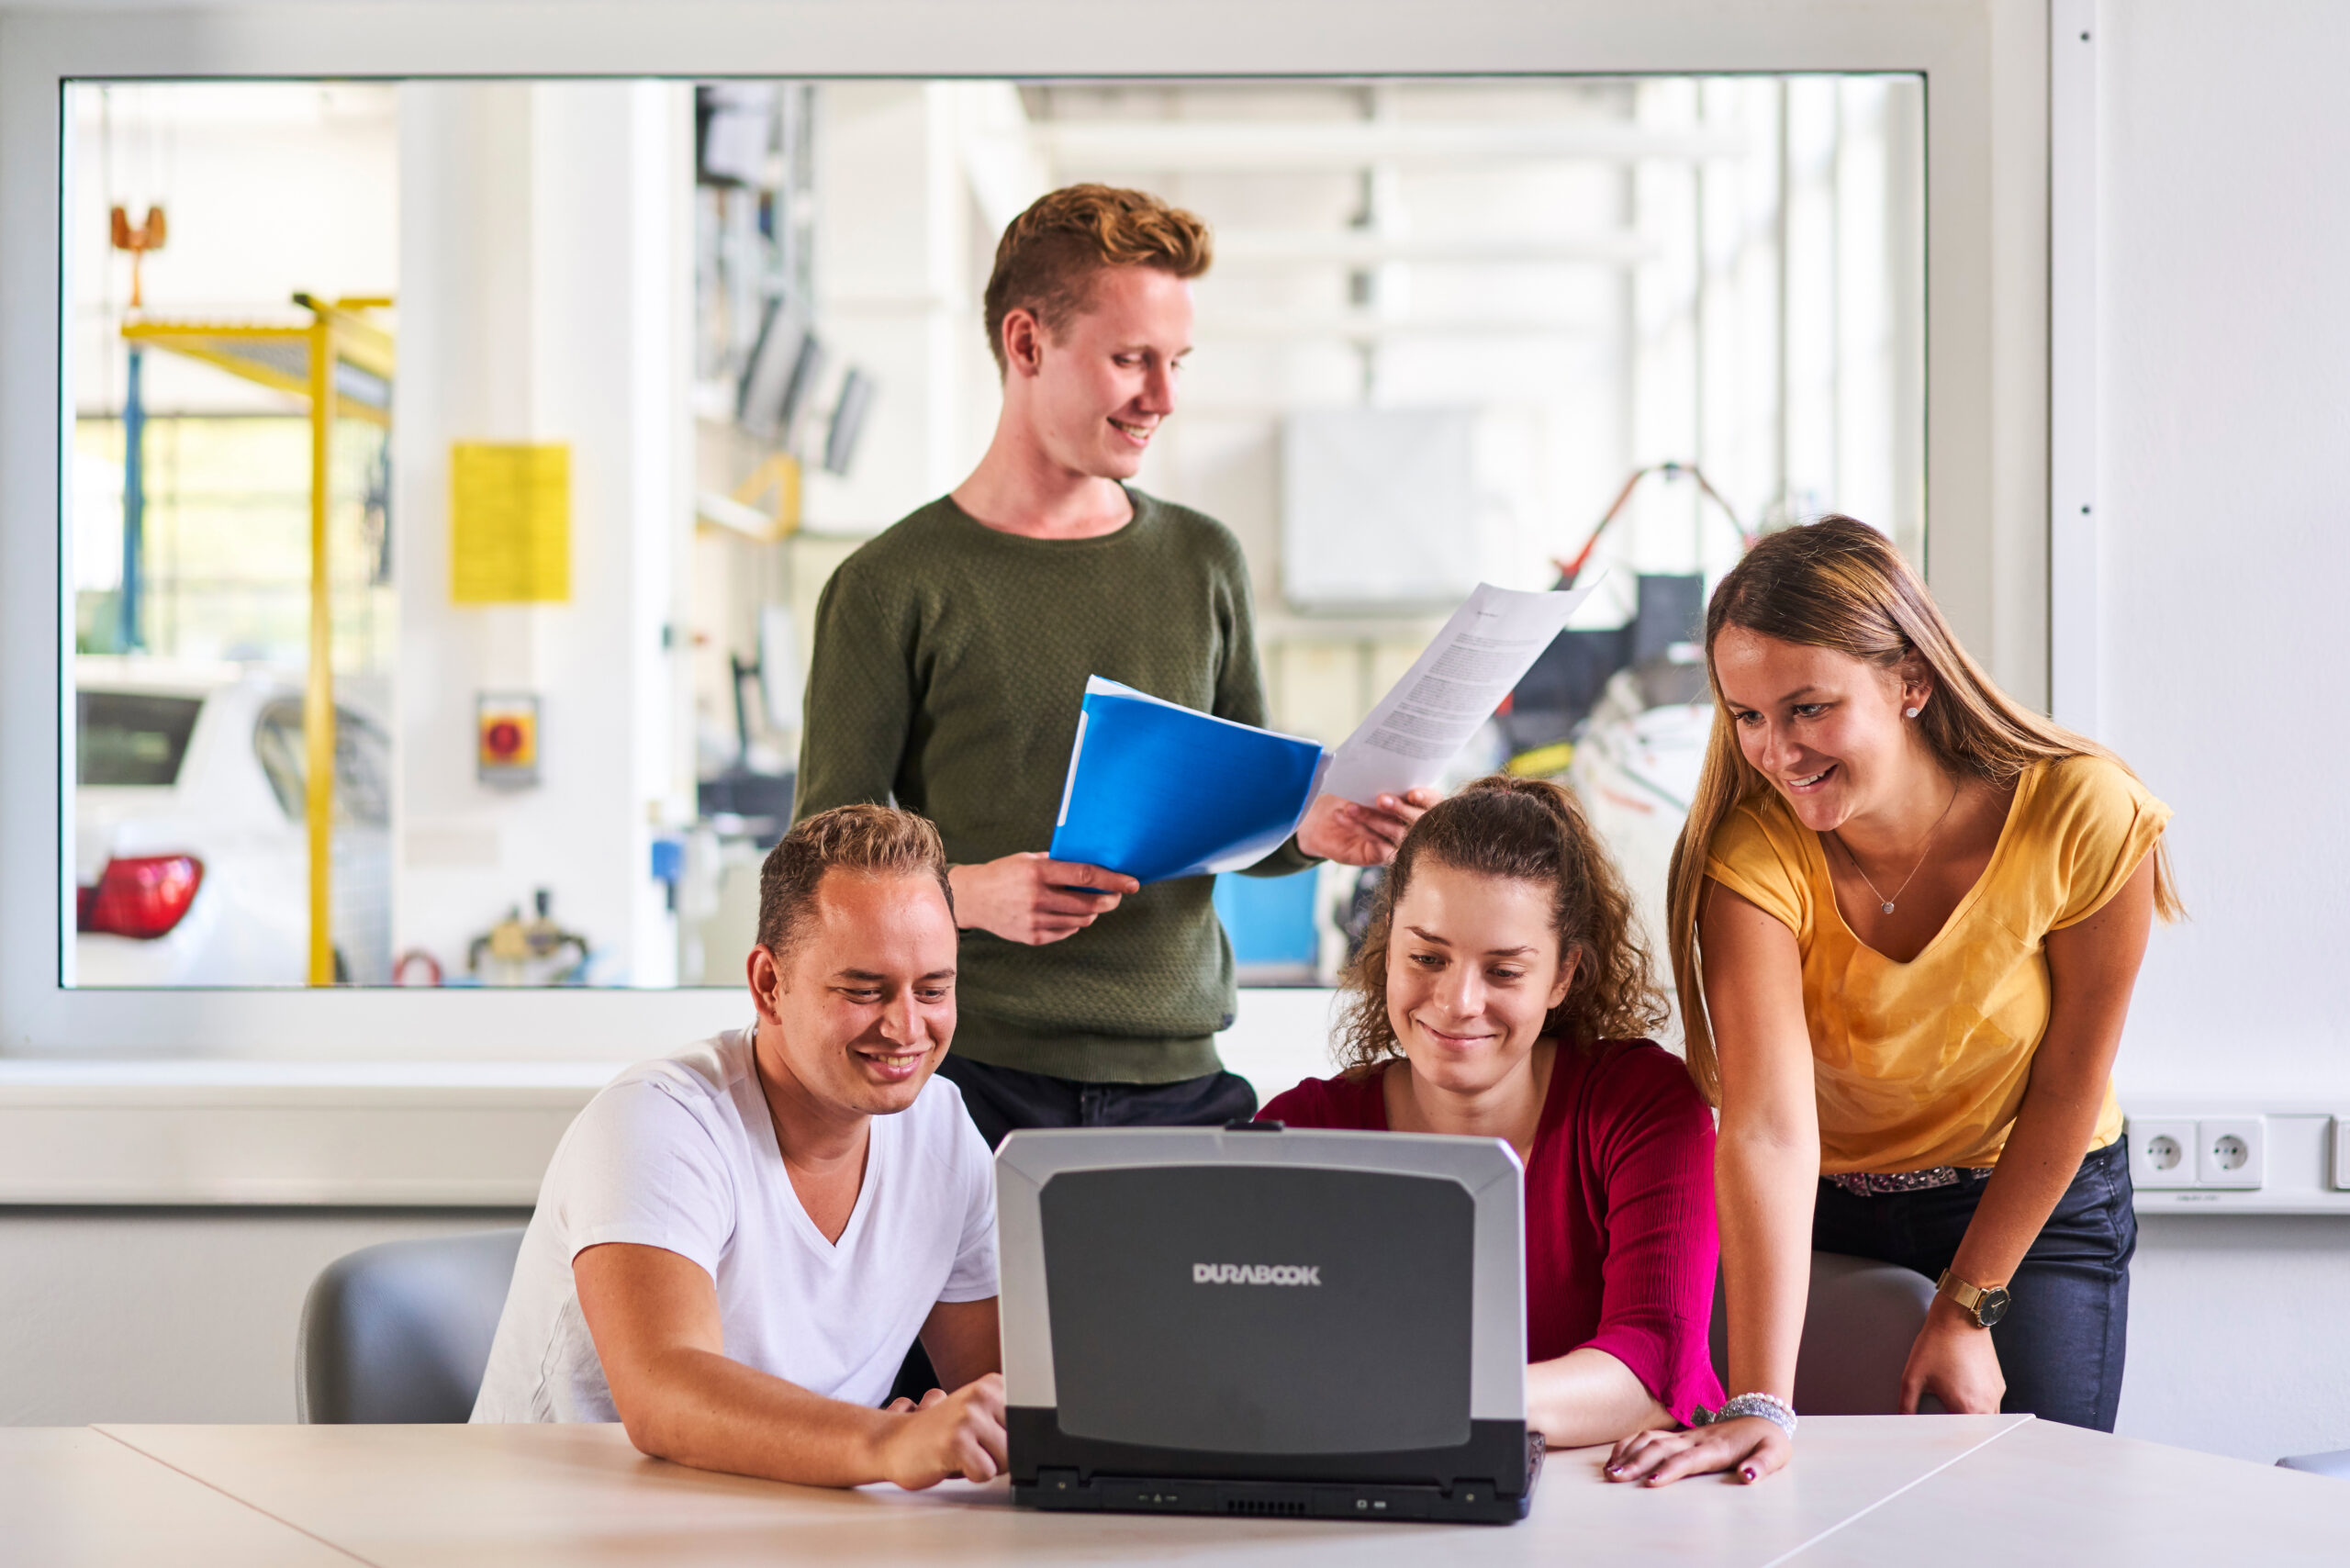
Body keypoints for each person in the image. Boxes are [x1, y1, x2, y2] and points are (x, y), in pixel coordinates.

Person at [793, 182, 1434, 1150]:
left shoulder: (1202, 560)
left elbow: (1235, 813)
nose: (1164, 399)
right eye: (1132, 360)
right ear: (1025, 344)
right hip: (967, 1087)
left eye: (1175, 362)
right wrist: (964, 894)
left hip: (1180, 1076)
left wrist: (1318, 822)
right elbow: (817, 870)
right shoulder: (892, 584)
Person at [1606, 516, 2177, 1489]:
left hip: (2023, 1195)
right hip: (1825, 1203)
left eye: (1808, 708)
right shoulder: (1755, 855)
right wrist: (1758, 1403)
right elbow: (1768, 1130)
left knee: (2033, 1512)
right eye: (1745, 716)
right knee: (1795, 1502)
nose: (1776, 751)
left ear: (1909, 681)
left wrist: (1967, 1302)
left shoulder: (2083, 810)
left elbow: (2070, 1079)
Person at [472, 804, 1008, 1492]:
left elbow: (1007, 1386)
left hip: (777, 1518)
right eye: (863, 990)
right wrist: (891, 1440)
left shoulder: (942, 1130)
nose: (907, 1026)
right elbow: (665, 1394)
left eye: (934, 989)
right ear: (768, 985)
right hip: (563, 1527)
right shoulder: (659, 1122)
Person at [1259, 776, 1724, 1448]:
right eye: (1426, 957)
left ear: (1564, 975)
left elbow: (1652, 1370)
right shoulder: (1301, 1129)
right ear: (1386, 948)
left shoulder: (1644, 1105)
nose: (1457, 1002)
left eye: (1504, 971)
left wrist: (1409, 1399)